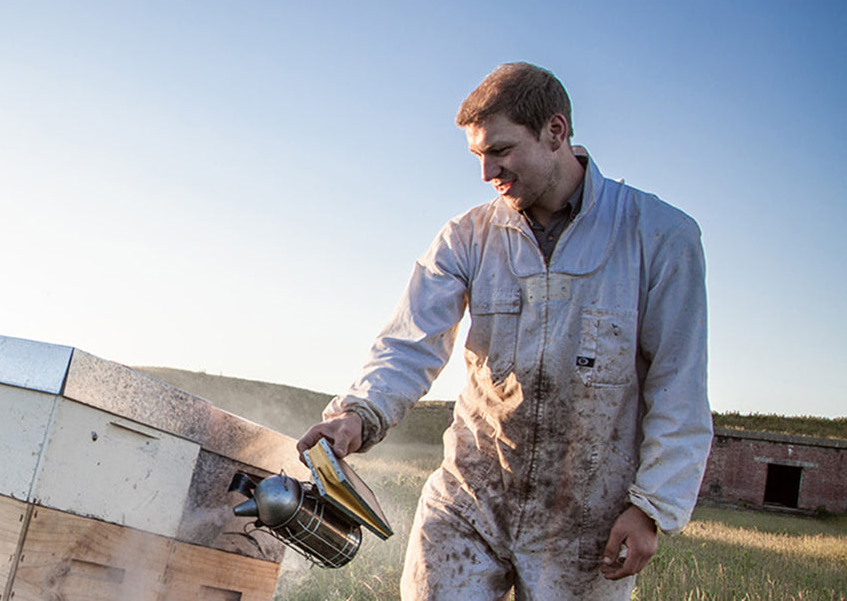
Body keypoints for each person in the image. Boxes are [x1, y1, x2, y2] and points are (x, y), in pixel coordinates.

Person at [298, 62, 712, 599]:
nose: (487, 172)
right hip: (471, 499)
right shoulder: (466, 237)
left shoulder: (659, 236)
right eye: (479, 156)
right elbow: (410, 342)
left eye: (501, 151)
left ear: (556, 132)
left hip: (586, 517)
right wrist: (358, 414)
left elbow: (678, 383)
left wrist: (652, 507)